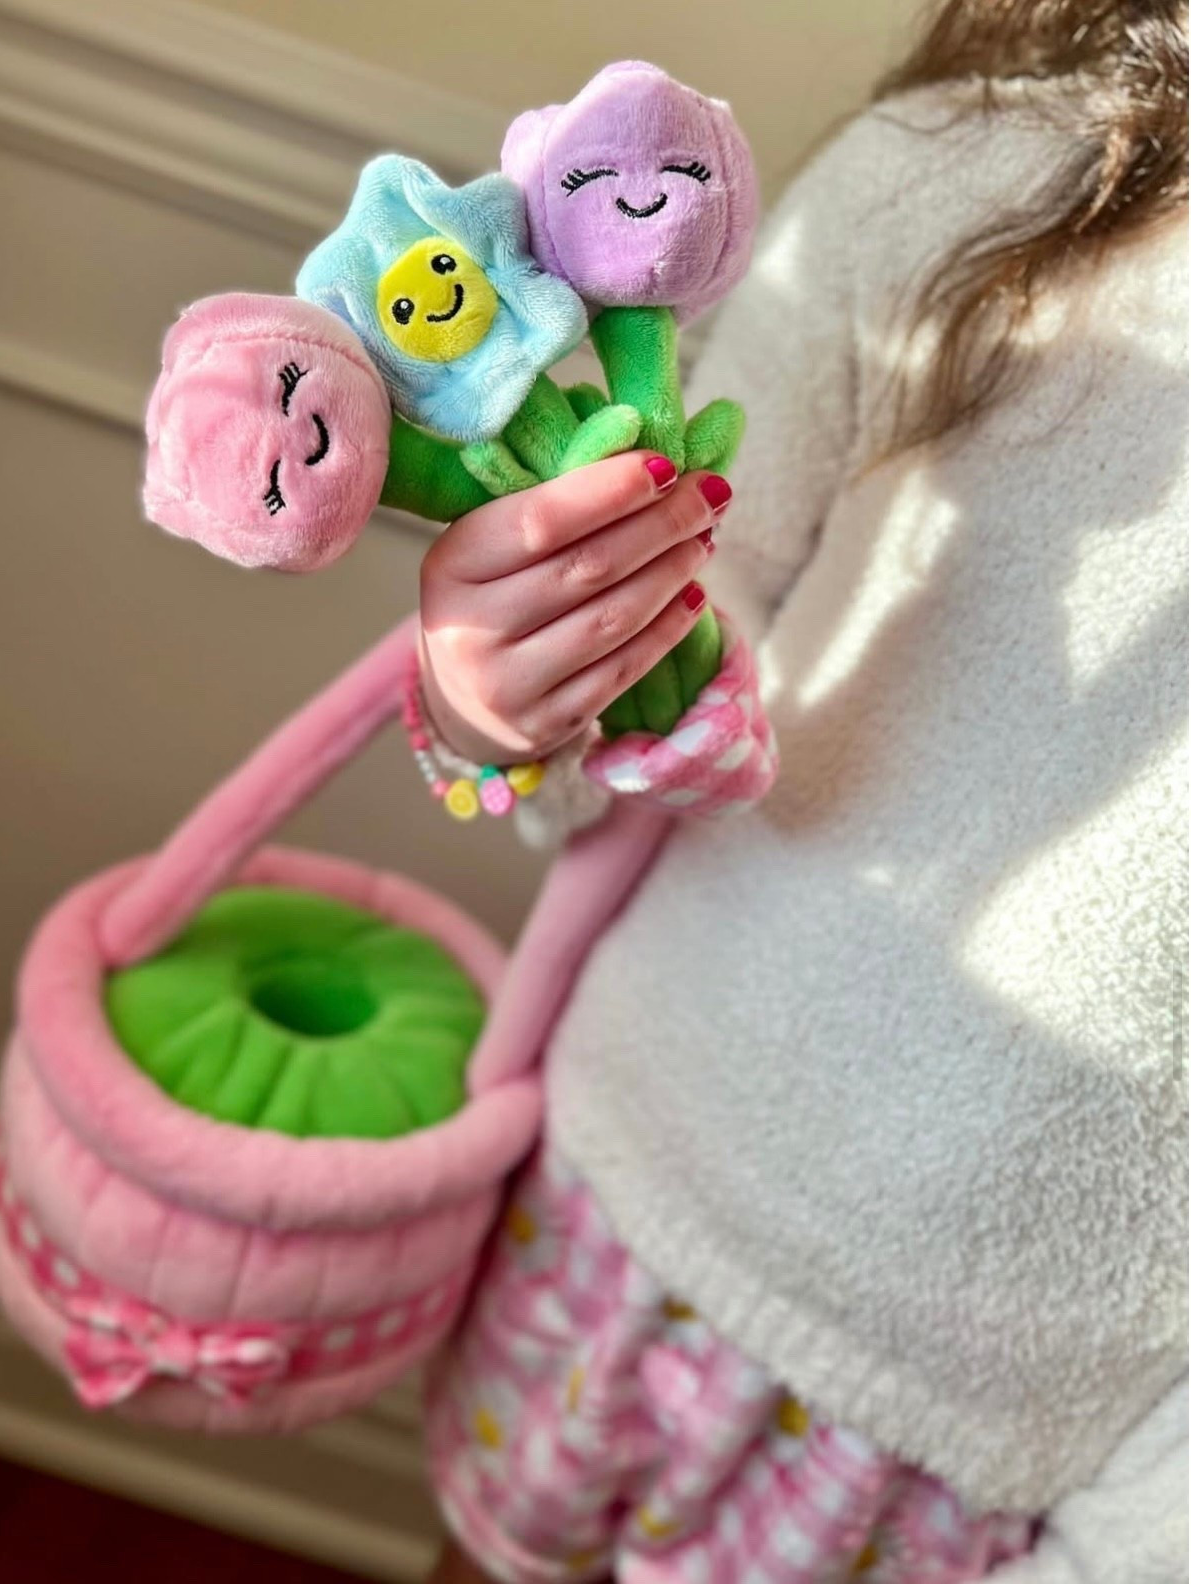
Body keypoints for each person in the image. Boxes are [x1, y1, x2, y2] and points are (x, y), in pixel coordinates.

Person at [417, 3, 1188, 1578]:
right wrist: (508, 697)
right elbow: (693, 617)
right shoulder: (960, 178)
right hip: (633, 1194)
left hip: (1009, 1441)